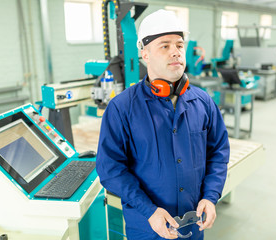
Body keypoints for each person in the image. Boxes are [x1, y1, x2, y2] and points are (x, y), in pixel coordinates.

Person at [96, 9, 230, 240]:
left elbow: (218, 152)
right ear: (145, 54)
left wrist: (210, 196)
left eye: (179, 45)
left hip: (193, 225)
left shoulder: (203, 102)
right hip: (147, 227)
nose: (175, 52)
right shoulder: (122, 108)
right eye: (164, 46)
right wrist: (149, 210)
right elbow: (111, 169)